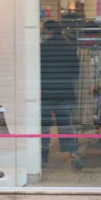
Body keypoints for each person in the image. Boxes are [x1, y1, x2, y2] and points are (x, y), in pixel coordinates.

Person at [40, 20, 83, 170]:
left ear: (49, 31)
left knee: (44, 126)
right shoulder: (69, 47)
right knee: (65, 124)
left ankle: (42, 157)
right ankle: (73, 154)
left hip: (46, 92)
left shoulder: (43, 48)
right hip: (65, 91)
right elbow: (76, 72)